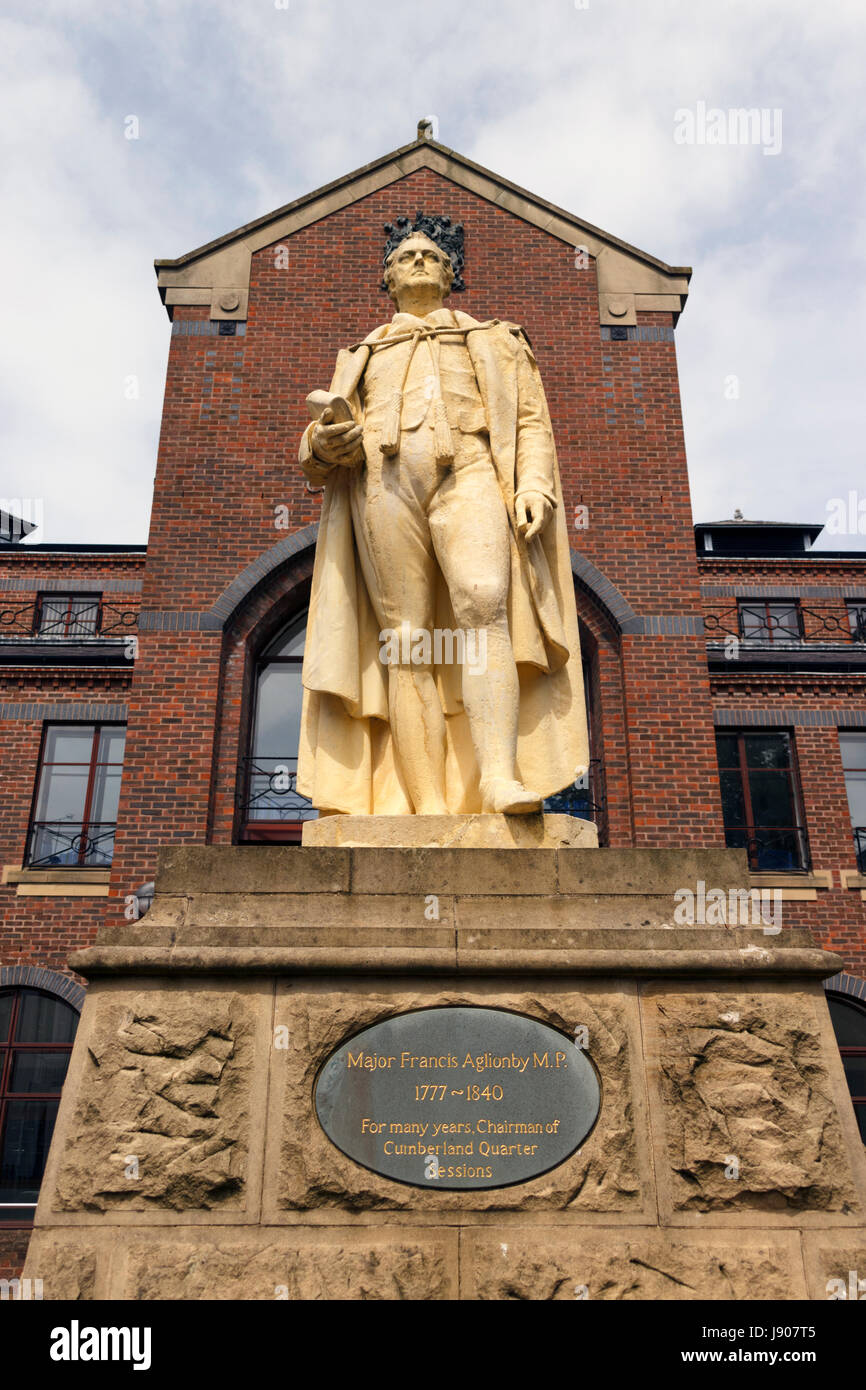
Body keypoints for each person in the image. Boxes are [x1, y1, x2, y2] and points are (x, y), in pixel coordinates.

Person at [297, 219, 588, 816]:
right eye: (407, 256)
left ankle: (500, 779)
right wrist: (323, 443)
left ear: (452, 274)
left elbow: (532, 420)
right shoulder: (360, 353)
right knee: (405, 639)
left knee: (485, 605)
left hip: (473, 469)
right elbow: (318, 450)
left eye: (433, 255)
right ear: (388, 276)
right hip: (383, 477)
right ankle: (426, 804)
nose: (421, 262)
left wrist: (535, 484)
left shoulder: (495, 339)